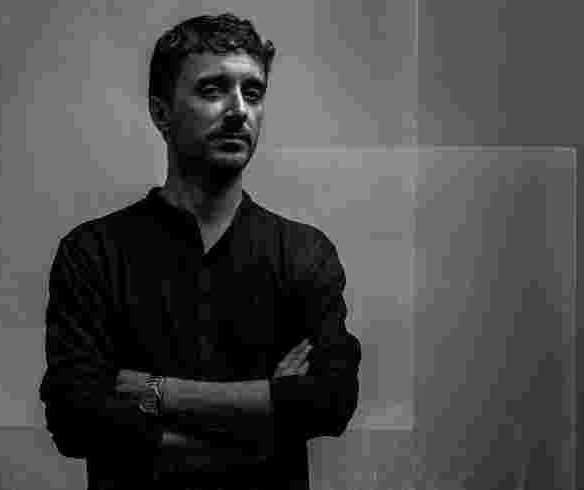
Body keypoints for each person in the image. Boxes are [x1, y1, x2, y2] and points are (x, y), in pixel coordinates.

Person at [39, 13, 361, 490]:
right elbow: (74, 416)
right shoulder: (93, 253)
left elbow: (329, 401)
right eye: (213, 90)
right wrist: (263, 426)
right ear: (161, 113)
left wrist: (156, 391)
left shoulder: (304, 254)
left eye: (253, 92)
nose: (238, 110)